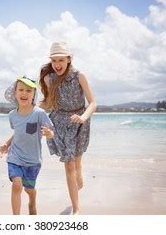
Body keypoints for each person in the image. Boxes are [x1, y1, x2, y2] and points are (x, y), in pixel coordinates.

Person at [39, 41, 97, 215]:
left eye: (61, 60)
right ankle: (77, 208)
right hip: (59, 122)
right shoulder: (49, 79)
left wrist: (83, 118)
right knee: (69, 165)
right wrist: (32, 110)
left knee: (77, 159)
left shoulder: (80, 76)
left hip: (78, 120)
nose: (57, 65)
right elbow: (49, 102)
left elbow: (93, 103)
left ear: (69, 60)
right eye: (54, 61)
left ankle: (80, 171)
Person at [0, 76, 54, 215]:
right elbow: (18, 132)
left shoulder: (39, 113)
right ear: (15, 93)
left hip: (33, 160)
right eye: (21, 90)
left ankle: (32, 198)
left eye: (28, 91)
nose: (24, 93)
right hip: (15, 157)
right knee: (17, 186)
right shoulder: (12, 115)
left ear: (34, 94)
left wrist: (48, 133)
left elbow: (51, 132)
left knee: (28, 189)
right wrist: (7, 144)